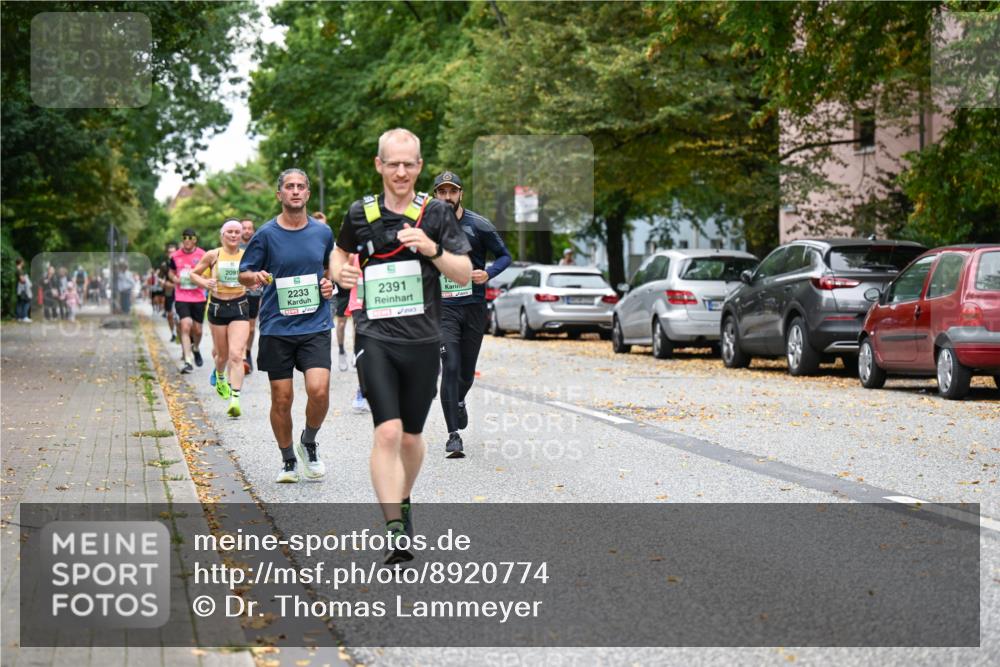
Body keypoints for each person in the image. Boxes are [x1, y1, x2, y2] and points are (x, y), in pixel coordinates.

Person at [331, 128, 471, 564]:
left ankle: (403, 498)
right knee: (387, 431)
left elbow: (464, 272)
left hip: (423, 339)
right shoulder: (360, 213)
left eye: (409, 163)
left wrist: (432, 249)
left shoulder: (436, 214)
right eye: (393, 163)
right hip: (375, 334)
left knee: (411, 439)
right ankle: (394, 528)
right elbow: (338, 255)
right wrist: (340, 273)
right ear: (379, 165)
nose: (401, 171)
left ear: (419, 166)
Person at [239, 169, 335, 484]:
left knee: (319, 391)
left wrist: (328, 285)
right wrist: (253, 277)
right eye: (289, 187)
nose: (295, 191)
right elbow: (245, 272)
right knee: (282, 398)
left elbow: (329, 269)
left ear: (308, 194)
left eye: (301, 187)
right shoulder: (265, 235)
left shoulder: (322, 233)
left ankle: (309, 441)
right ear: (280, 195)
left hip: (315, 323)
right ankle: (288, 460)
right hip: (278, 327)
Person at [432, 170, 512, 457]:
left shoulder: (479, 225)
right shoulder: (428, 227)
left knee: (466, 373)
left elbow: (505, 256)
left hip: (474, 307)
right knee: (450, 366)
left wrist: (488, 273)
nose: (448, 196)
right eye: (442, 191)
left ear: (460, 194)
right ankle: (453, 435)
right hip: (443, 310)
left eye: (452, 191)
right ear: (435, 196)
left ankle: (460, 400)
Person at [190, 219, 251, 418]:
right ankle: (219, 374)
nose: (234, 235)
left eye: (237, 232)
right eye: (229, 232)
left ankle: (235, 399)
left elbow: (255, 276)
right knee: (222, 356)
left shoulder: (247, 255)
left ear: (241, 235)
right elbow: (194, 274)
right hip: (217, 307)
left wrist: (257, 281)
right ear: (222, 235)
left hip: (239, 306)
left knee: (236, 354)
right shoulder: (213, 255)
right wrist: (205, 282)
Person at [169, 229, 207, 373]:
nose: (187, 240)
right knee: (185, 325)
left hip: (198, 296)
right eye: (185, 237)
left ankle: (195, 348)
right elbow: (171, 272)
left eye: (190, 237)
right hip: (182, 296)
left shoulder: (203, 255)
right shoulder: (175, 256)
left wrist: (202, 280)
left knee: (197, 330)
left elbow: (209, 272)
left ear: (195, 239)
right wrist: (174, 279)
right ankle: (188, 360)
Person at [240, 219, 261, 373]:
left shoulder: (258, 248)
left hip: (254, 293)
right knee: (239, 325)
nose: (247, 231)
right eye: (244, 228)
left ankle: (247, 353)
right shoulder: (234, 247)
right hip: (237, 293)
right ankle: (239, 356)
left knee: (251, 328)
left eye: (249, 228)